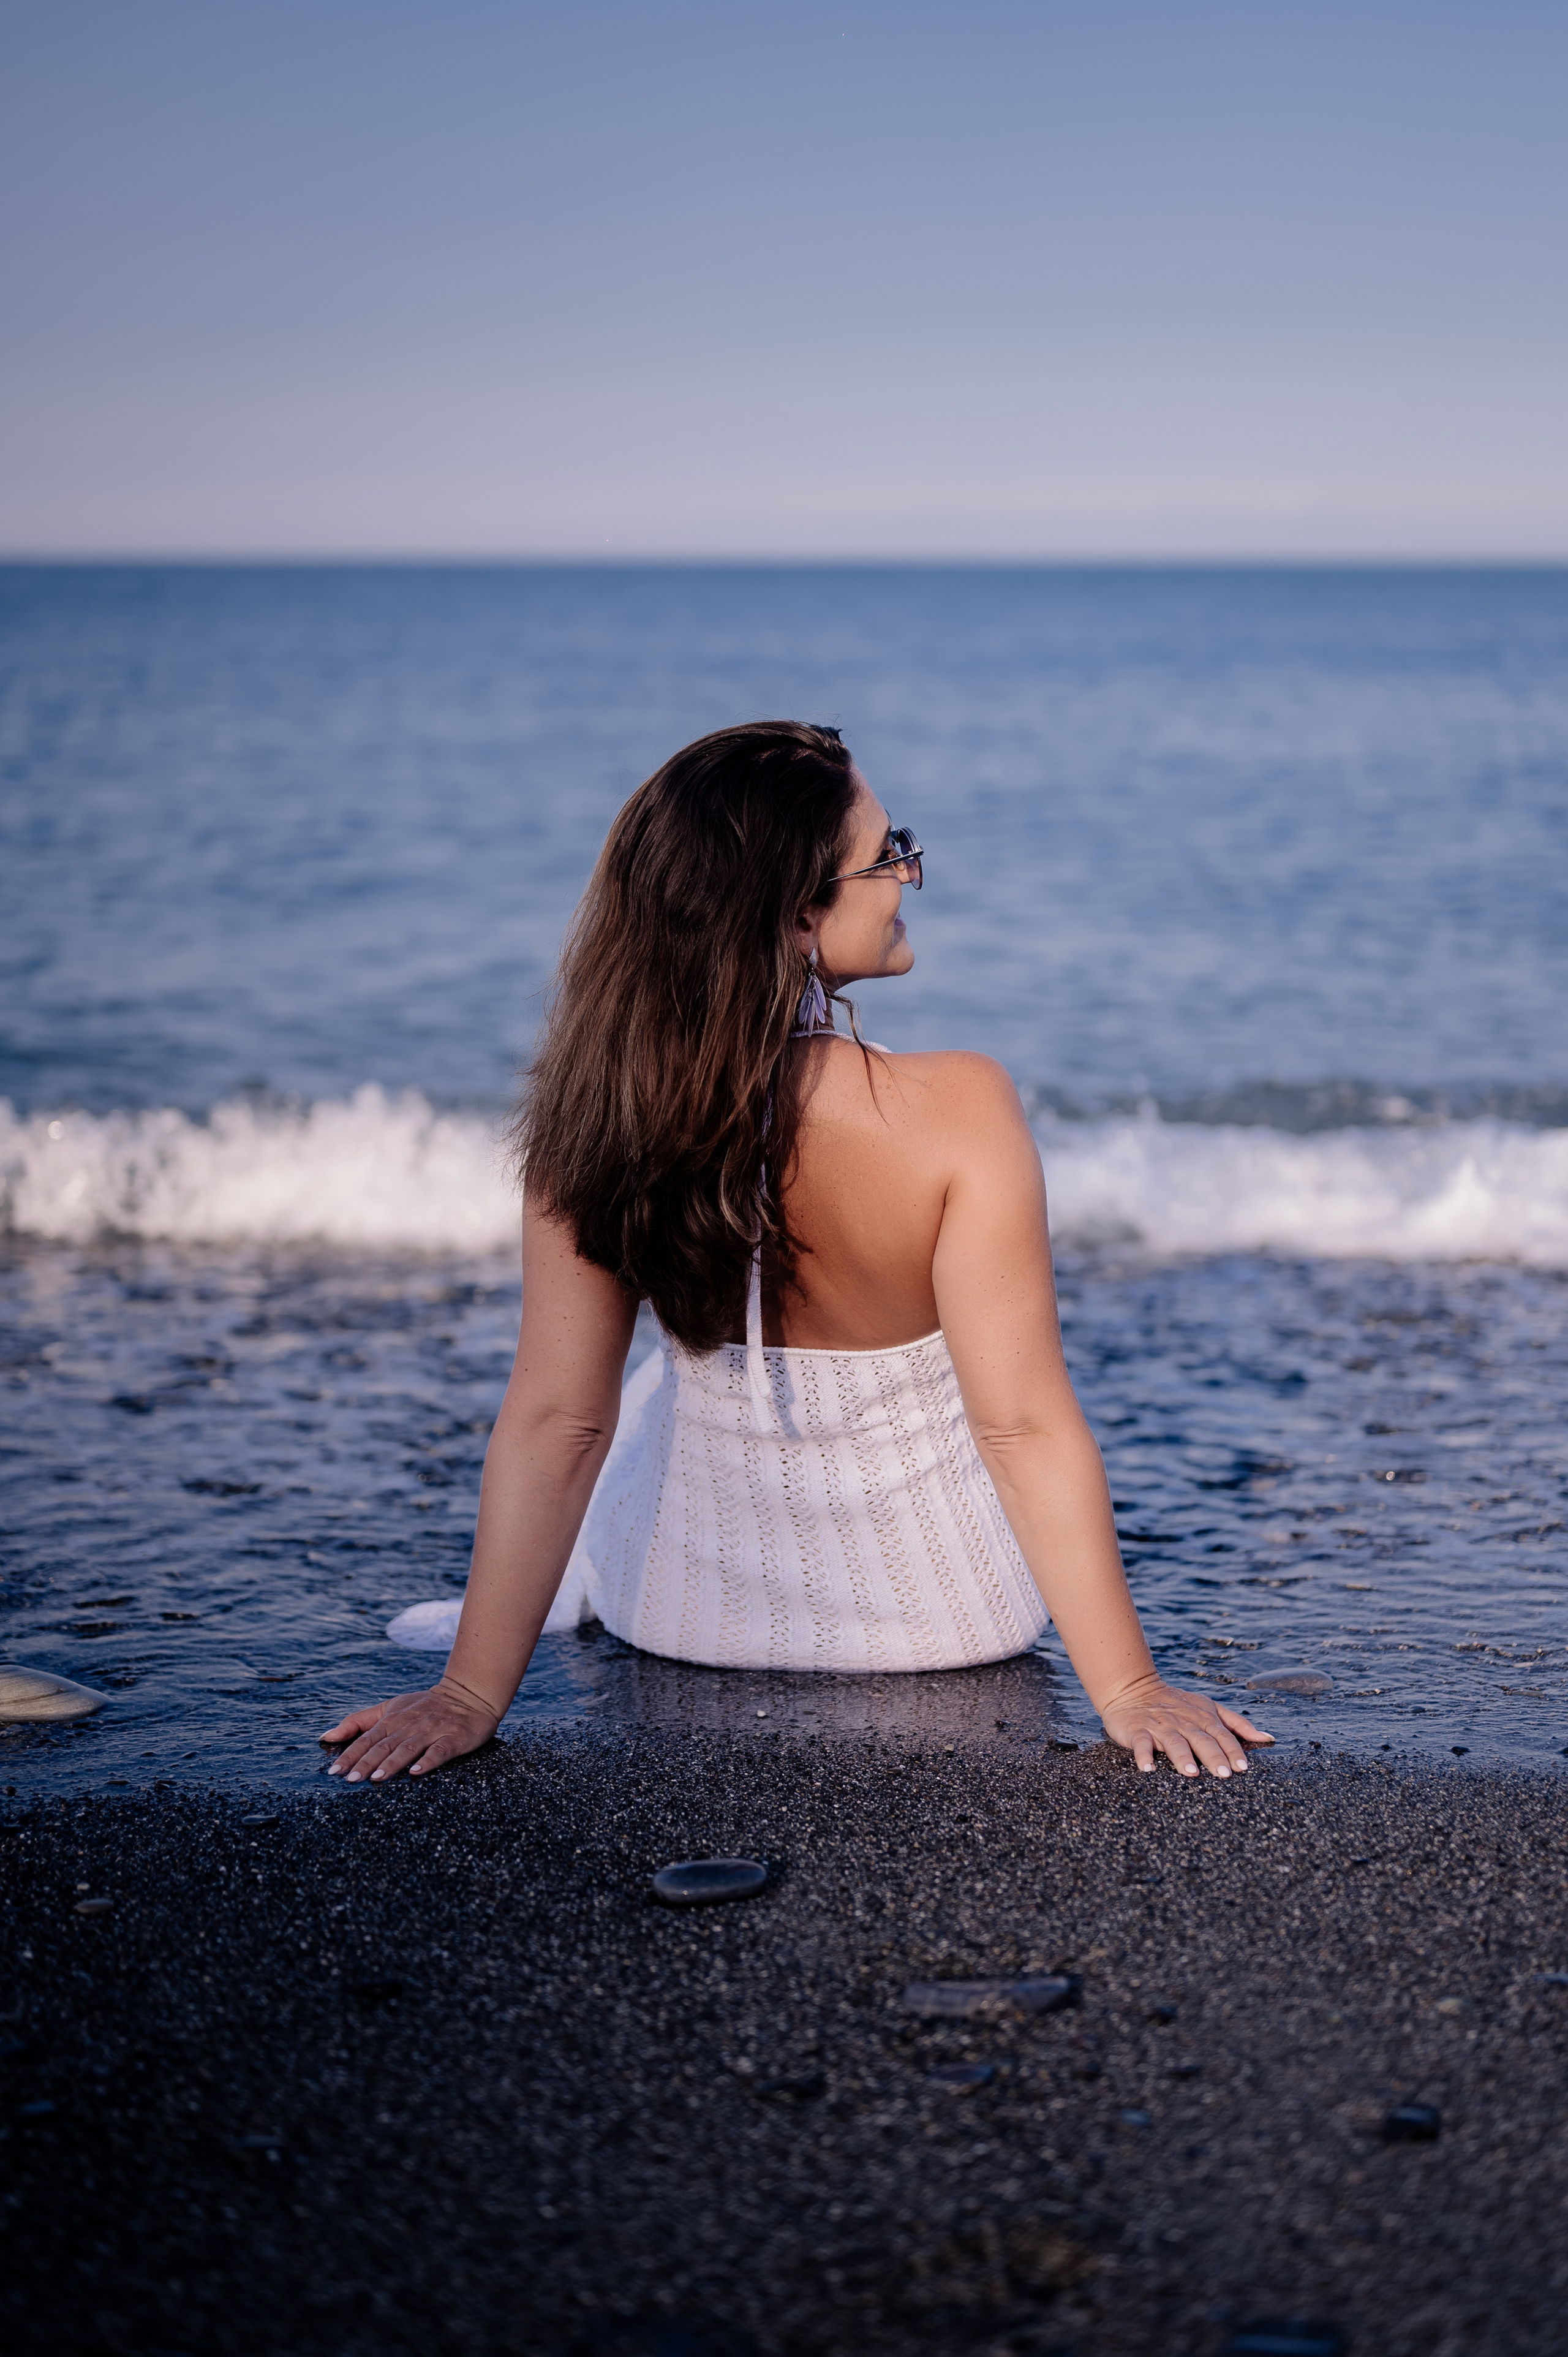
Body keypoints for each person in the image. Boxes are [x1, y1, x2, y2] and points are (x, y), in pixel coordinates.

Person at [322, 721, 1270, 1784]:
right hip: (951, 1621)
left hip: (677, 1612)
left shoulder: (596, 1116)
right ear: (797, 915)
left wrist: (467, 1695)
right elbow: (1021, 1427)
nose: (909, 873)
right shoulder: (960, 1107)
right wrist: (1131, 1690)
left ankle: (562, 1594)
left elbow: (559, 1422)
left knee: (640, 1385)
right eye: (886, 853)